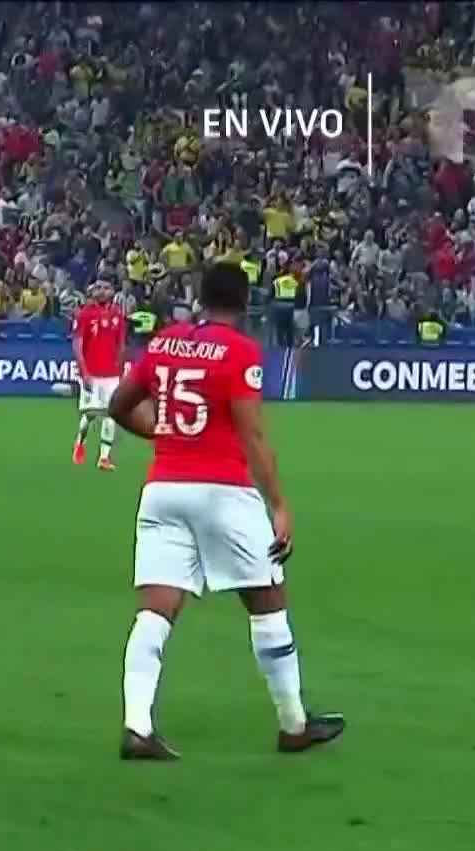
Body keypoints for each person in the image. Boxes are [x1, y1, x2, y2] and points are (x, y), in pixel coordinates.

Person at [106, 262, 344, 760]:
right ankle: (293, 724)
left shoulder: (165, 342)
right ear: (246, 301)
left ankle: (137, 726)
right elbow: (252, 436)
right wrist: (279, 506)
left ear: (200, 297)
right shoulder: (239, 351)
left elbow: (120, 405)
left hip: (163, 489)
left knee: (155, 609)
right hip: (222, 491)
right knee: (267, 602)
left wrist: (163, 431)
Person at [71, 280, 129, 471]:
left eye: (107, 288)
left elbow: (121, 344)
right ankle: (80, 441)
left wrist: (121, 371)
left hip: (111, 374)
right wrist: (84, 372)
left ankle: (104, 457)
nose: (103, 291)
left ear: (112, 291)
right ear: (93, 291)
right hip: (92, 372)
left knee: (111, 414)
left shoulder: (118, 314)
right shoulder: (85, 314)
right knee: (90, 414)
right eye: (99, 288)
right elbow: (78, 344)